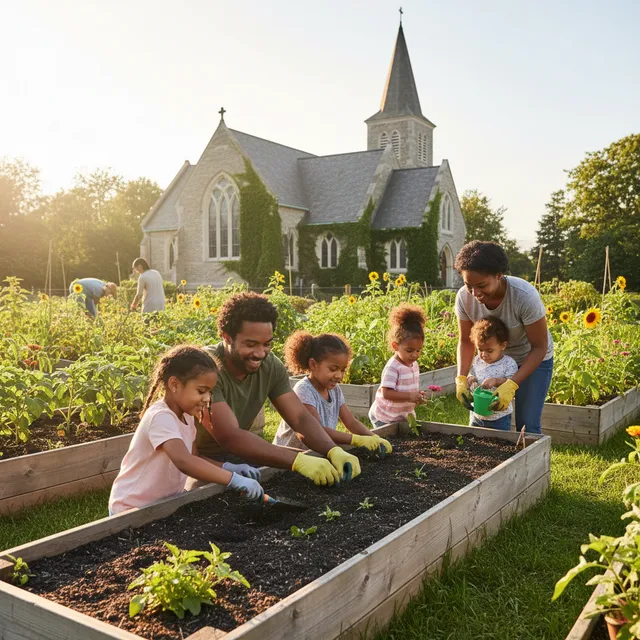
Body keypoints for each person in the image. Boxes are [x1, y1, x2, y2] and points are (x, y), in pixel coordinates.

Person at [195, 292, 361, 487]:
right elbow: (230, 436)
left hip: (243, 456)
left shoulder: (270, 366)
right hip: (197, 461)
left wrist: (332, 450)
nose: (260, 353)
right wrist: (298, 460)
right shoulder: (205, 368)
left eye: (267, 344)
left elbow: (299, 418)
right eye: (251, 344)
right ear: (227, 337)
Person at [109, 344, 263, 515]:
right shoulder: (161, 417)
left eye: (210, 392)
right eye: (201, 391)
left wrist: (227, 467)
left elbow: (193, 457)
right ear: (174, 384)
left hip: (162, 506)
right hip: (130, 508)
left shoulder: (187, 416)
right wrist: (232, 479)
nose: (207, 399)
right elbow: (184, 461)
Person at [454, 240, 554, 434]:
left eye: (482, 285)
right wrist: (461, 377)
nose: (475, 293)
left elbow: (539, 347)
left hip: (531, 357)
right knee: (485, 415)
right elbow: (466, 341)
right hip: (492, 359)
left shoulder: (524, 296)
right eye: (469, 285)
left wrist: (511, 385)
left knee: (527, 424)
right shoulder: (463, 298)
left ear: (499, 276)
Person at [274, 331, 393, 456]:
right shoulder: (304, 390)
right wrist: (356, 440)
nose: (339, 375)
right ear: (313, 364)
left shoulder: (334, 390)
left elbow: (350, 422)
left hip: (317, 453)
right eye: (333, 369)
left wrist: (374, 437)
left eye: (342, 370)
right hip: (288, 457)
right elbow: (317, 431)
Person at [368, 304, 428, 428]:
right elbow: (387, 394)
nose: (415, 355)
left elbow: (407, 388)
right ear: (395, 346)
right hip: (385, 417)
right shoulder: (393, 367)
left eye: (418, 350)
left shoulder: (413, 365)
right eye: (410, 350)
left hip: (401, 416)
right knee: (387, 443)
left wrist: (416, 396)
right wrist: (410, 396)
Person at [465, 317, 519, 430]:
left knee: (499, 441)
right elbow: (472, 373)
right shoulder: (477, 360)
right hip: (477, 413)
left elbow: (512, 383)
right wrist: (471, 378)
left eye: (489, 351)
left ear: (503, 346)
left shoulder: (508, 363)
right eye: (480, 350)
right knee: (473, 438)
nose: (484, 354)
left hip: (499, 416)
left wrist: (496, 381)